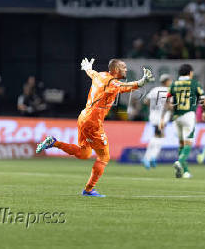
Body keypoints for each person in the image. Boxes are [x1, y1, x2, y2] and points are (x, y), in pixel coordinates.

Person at [36, 58, 154, 197]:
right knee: (104, 157)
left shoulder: (101, 75)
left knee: (84, 153)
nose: (126, 69)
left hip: (84, 117)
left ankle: (54, 142)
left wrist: (87, 68)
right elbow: (125, 87)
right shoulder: (111, 82)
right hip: (93, 123)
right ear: (116, 70)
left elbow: (92, 73)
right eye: (124, 67)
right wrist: (142, 82)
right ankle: (88, 190)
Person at [159, 64, 205, 179]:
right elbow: (203, 100)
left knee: (181, 144)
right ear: (190, 73)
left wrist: (162, 118)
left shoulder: (174, 84)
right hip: (189, 115)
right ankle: (180, 162)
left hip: (177, 118)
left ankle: (185, 172)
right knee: (188, 143)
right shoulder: (195, 83)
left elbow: (167, 101)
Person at [141, 74, 172, 169]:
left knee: (159, 136)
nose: (171, 82)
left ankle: (152, 157)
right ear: (166, 81)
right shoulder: (169, 91)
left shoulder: (154, 90)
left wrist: (154, 107)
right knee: (158, 136)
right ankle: (148, 158)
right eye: (170, 80)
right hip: (162, 118)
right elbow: (169, 106)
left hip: (153, 116)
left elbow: (145, 101)